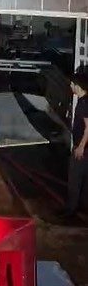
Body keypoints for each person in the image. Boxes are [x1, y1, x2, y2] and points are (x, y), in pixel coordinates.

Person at [63, 70, 88, 218]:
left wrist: (81, 147)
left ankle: (70, 211)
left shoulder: (84, 103)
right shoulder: (84, 101)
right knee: (84, 179)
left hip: (82, 148)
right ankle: (82, 208)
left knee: (75, 179)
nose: (71, 86)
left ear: (78, 86)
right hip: (84, 148)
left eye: (72, 84)